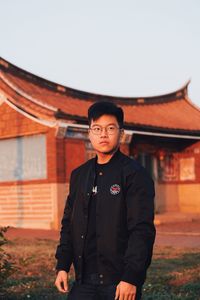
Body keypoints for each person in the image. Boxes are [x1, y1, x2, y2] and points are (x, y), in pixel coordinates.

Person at [55, 101, 156, 300]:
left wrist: (131, 278)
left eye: (110, 128)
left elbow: (142, 230)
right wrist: (63, 265)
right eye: (97, 128)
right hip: (83, 281)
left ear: (121, 133)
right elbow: (69, 223)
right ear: (89, 133)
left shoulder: (135, 175)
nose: (103, 134)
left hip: (118, 283)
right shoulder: (79, 175)